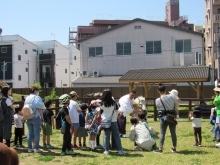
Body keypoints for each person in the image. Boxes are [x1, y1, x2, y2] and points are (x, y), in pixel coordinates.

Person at [154, 83, 179, 154]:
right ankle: (174, 147)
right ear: (165, 90)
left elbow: (158, 108)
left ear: (158, 91)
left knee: (162, 133)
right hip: (171, 116)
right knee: (173, 133)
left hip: (163, 117)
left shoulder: (157, 100)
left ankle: (160, 148)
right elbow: (177, 105)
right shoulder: (172, 97)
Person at [101, 89, 126, 155]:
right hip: (113, 121)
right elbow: (119, 111)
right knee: (116, 135)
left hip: (105, 121)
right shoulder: (114, 103)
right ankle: (120, 150)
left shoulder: (102, 103)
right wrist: (118, 117)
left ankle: (106, 150)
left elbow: (101, 112)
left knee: (106, 135)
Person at [25, 86, 44, 153]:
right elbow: (39, 108)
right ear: (35, 91)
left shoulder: (27, 98)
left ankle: (29, 148)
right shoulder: (37, 97)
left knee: (30, 133)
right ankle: (36, 148)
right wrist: (42, 117)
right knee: (36, 133)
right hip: (35, 117)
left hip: (28, 117)